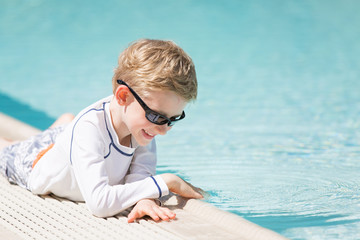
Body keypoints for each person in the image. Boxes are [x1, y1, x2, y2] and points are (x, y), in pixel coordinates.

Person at [0, 39, 203, 223]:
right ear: (123, 97)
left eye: (173, 119)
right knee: (8, 148)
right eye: (157, 117)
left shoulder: (143, 126)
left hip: (71, 144)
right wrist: (166, 181)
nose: (163, 130)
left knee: (65, 132)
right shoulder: (90, 129)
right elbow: (100, 204)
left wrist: (144, 199)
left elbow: (141, 174)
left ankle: (63, 126)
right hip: (35, 164)